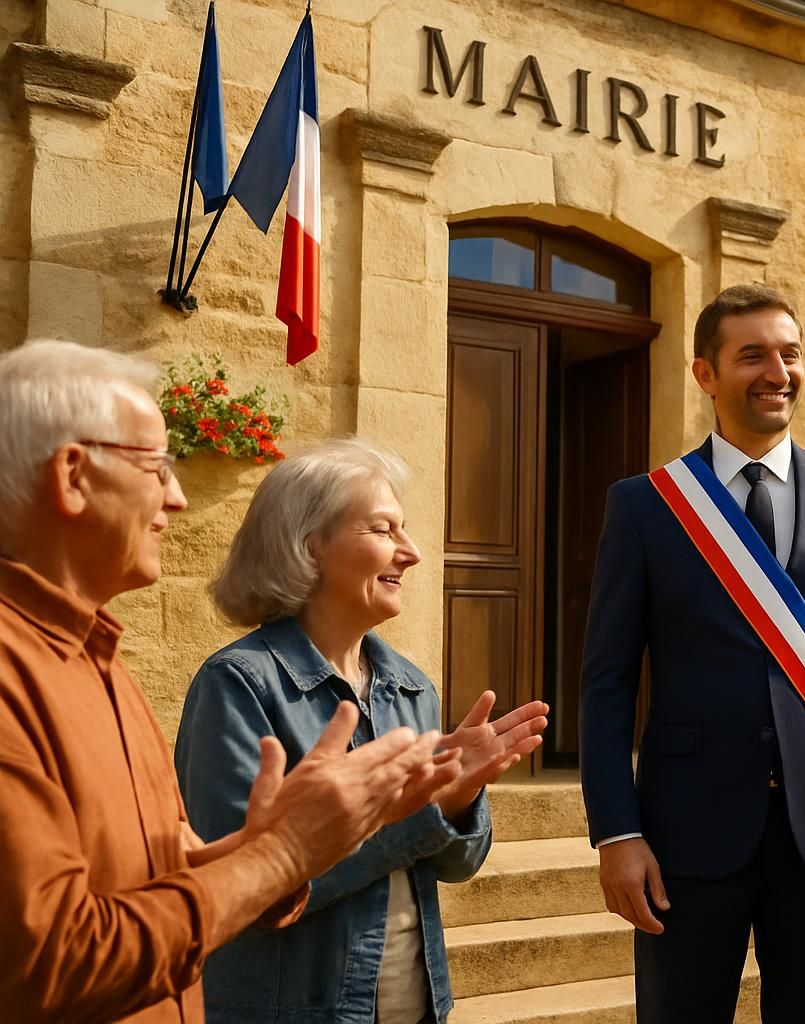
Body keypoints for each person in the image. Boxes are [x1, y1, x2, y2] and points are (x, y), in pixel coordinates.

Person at [0, 340, 460, 1023]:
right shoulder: (25, 673)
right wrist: (288, 850)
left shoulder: (98, 661)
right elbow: (56, 963)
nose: (178, 499)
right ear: (72, 474)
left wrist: (277, 841)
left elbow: (168, 870)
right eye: (157, 467)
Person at [578, 283, 805, 1023]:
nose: (778, 372)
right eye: (752, 356)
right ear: (705, 374)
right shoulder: (645, 506)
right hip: (683, 836)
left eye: (790, 354)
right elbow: (606, 684)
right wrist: (615, 831)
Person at [174, 438, 549, 1024]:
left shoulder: (410, 686)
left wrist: (458, 801)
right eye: (383, 530)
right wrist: (416, 816)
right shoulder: (240, 684)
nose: (413, 552)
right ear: (310, 545)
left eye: (404, 530)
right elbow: (236, 886)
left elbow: (459, 864)